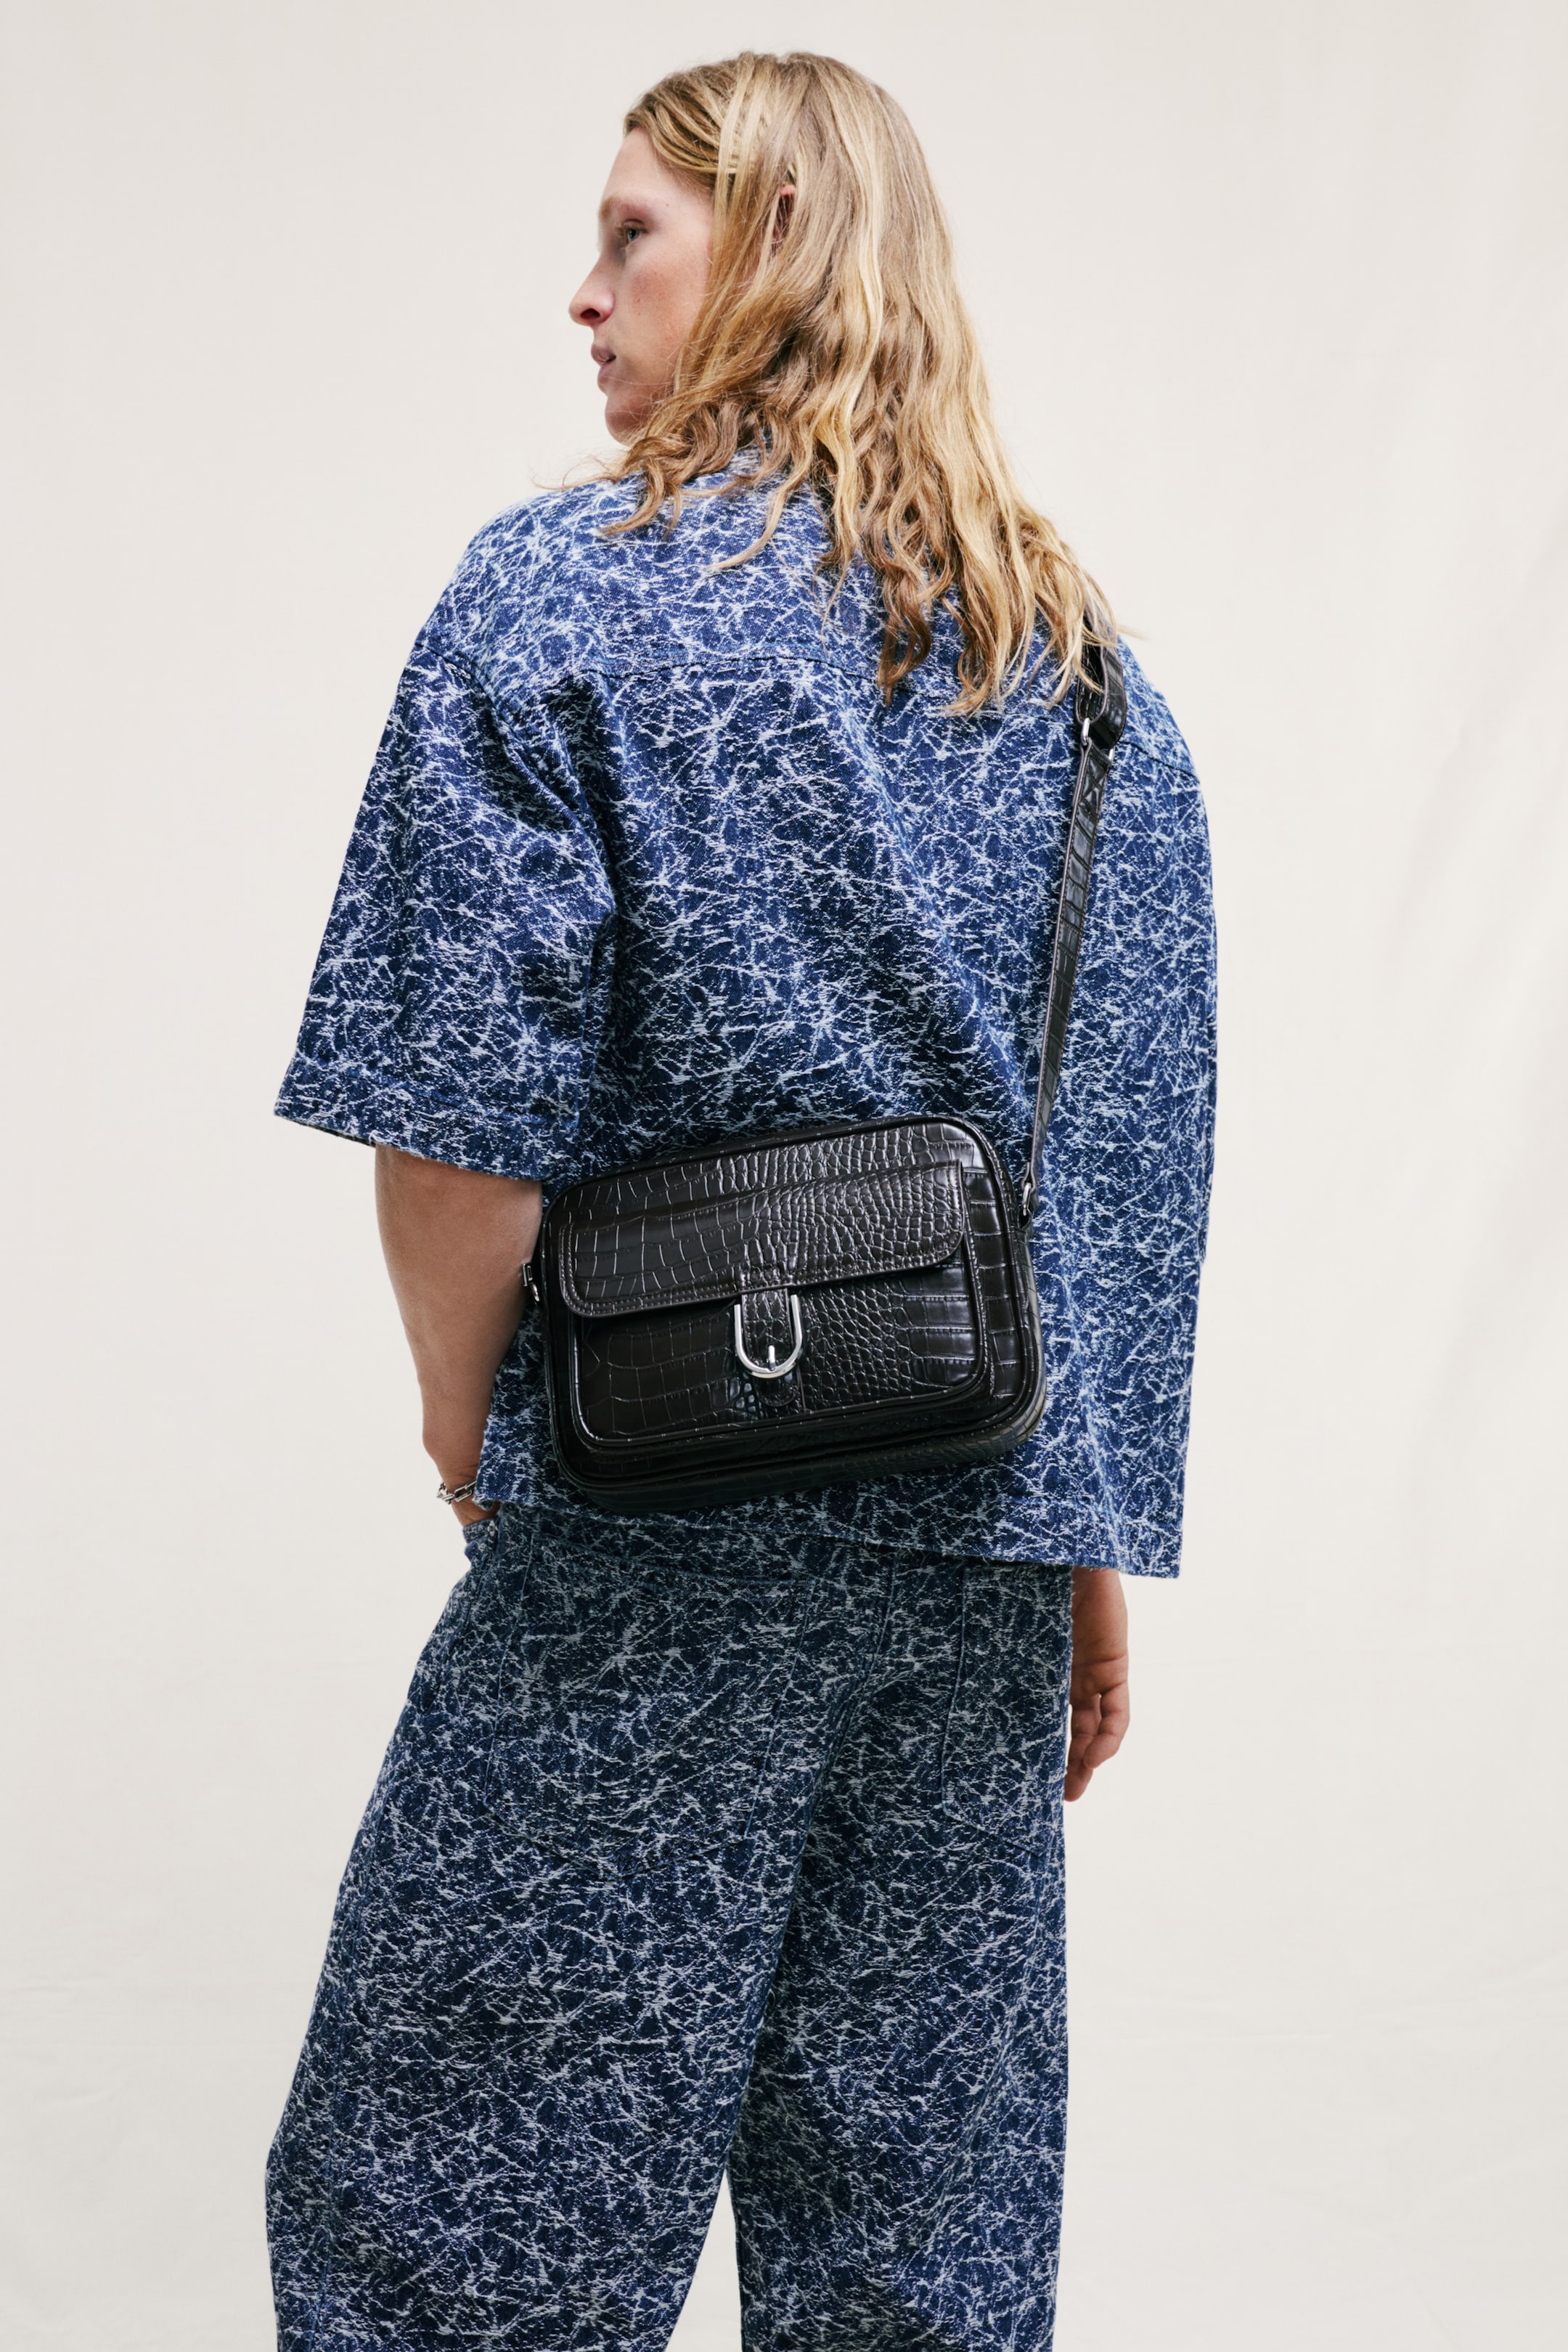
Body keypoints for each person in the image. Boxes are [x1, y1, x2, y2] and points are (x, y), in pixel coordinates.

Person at [266, 49, 1216, 2352]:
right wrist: (1080, 1547)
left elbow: (454, 1114)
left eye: (632, 236)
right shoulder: (1083, 676)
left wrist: (468, 1416)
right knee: (915, 2258)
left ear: (775, 249)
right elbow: (1111, 1165)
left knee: (463, 2224)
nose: (581, 293)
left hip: (646, 1526)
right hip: (973, 1564)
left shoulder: (558, 604)